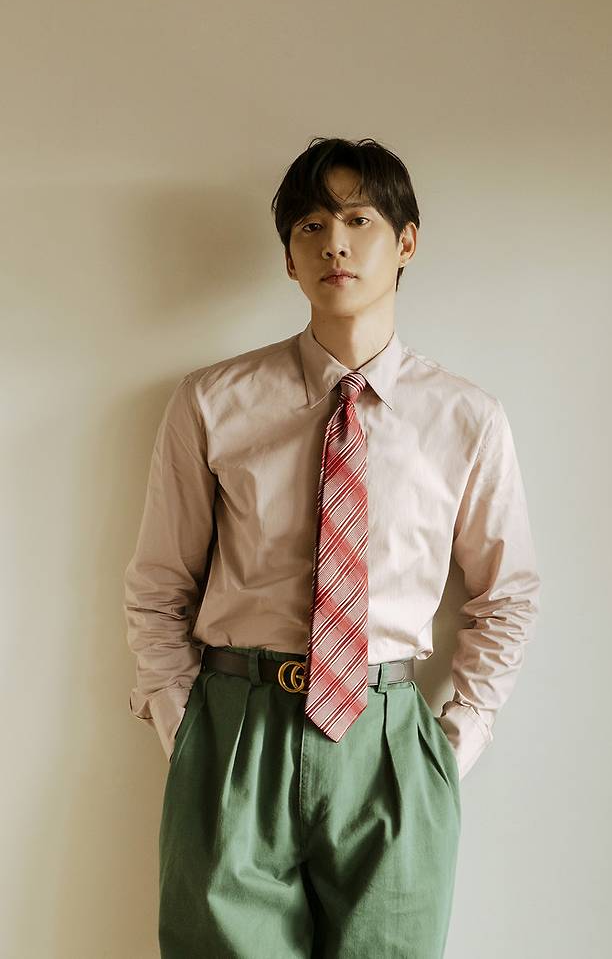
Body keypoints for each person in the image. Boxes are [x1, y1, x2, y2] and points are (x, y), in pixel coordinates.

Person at [123, 136, 540, 958]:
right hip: (237, 729)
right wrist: (187, 728)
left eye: (358, 220)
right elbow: (159, 584)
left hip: (390, 740)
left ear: (406, 242)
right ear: (289, 257)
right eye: (310, 226)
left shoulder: (466, 417)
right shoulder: (212, 401)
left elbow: (508, 594)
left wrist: (451, 743)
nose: (334, 244)